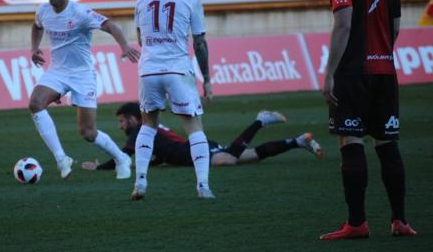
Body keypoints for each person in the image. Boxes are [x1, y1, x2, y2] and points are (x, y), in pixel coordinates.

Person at [319, 0, 417, 240]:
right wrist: (381, 54)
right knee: (387, 144)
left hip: (353, 74)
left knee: (352, 141)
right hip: (385, 71)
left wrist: (330, 73)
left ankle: (357, 223)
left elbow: (343, 26)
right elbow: (396, 28)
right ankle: (400, 220)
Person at [29, 0, 140, 181]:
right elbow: (36, 26)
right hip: (57, 72)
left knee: (88, 133)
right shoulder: (43, 11)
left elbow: (110, 25)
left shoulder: (80, 13)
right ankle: (62, 159)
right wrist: (34, 48)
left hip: (82, 75)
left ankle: (121, 158)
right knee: (35, 103)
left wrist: (124, 46)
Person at [132, 0, 214, 200]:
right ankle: (202, 185)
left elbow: (140, 37)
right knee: (194, 126)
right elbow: (199, 42)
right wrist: (207, 79)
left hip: (149, 70)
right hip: (178, 68)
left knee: (148, 125)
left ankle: (141, 182)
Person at [81, 102, 323, 171]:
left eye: (122, 120)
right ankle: (297, 141)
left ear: (134, 120)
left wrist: (98, 167)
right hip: (196, 148)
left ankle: (260, 120)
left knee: (230, 160)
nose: (121, 126)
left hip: (193, 151)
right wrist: (156, 163)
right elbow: (161, 152)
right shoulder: (152, 129)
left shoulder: (138, 132)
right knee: (249, 156)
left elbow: (121, 157)